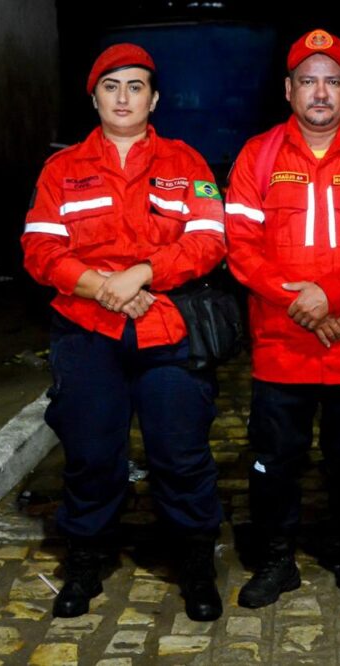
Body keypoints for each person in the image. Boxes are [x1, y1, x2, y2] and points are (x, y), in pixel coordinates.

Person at [21, 43, 226, 621]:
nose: (123, 98)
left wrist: (143, 272)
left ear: (153, 99)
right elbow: (39, 249)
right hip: (87, 330)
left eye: (136, 87)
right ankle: (85, 561)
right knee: (90, 455)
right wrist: (100, 286)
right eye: (111, 87)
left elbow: (210, 240)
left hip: (167, 328)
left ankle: (195, 564)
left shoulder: (187, 162)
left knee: (180, 453)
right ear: (94, 98)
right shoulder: (61, 170)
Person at [224, 29, 340, 610]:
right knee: (274, 462)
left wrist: (329, 297)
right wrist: (303, 303)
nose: (321, 92)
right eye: (308, 81)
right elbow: (240, 247)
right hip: (282, 342)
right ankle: (277, 562)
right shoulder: (258, 155)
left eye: (332, 81)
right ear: (289, 90)